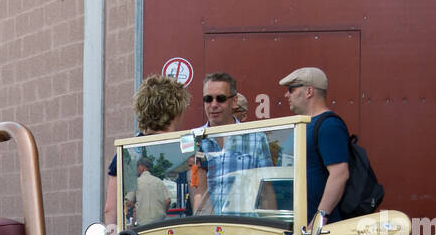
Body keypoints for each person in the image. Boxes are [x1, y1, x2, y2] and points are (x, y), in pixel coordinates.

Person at [103, 74, 191, 225]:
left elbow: (113, 210)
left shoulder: (129, 151)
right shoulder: (188, 145)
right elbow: (200, 201)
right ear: (177, 111)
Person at [191, 72, 272, 214]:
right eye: (208, 99)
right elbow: (195, 190)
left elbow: (266, 189)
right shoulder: (193, 140)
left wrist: (272, 229)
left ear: (234, 101)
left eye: (220, 99)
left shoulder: (256, 138)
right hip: (208, 230)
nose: (213, 105)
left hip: (244, 229)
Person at [281, 66, 348, 224]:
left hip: (317, 232)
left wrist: (319, 219)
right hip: (295, 225)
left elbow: (339, 174)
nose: (286, 95)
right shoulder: (301, 125)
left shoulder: (329, 125)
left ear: (309, 91)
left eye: (291, 90)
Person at [127, 156, 170, 225]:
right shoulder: (159, 182)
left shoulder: (136, 182)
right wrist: (163, 212)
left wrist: (136, 207)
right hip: (160, 221)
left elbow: (129, 202)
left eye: (137, 167)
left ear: (141, 167)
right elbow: (168, 201)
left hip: (143, 221)